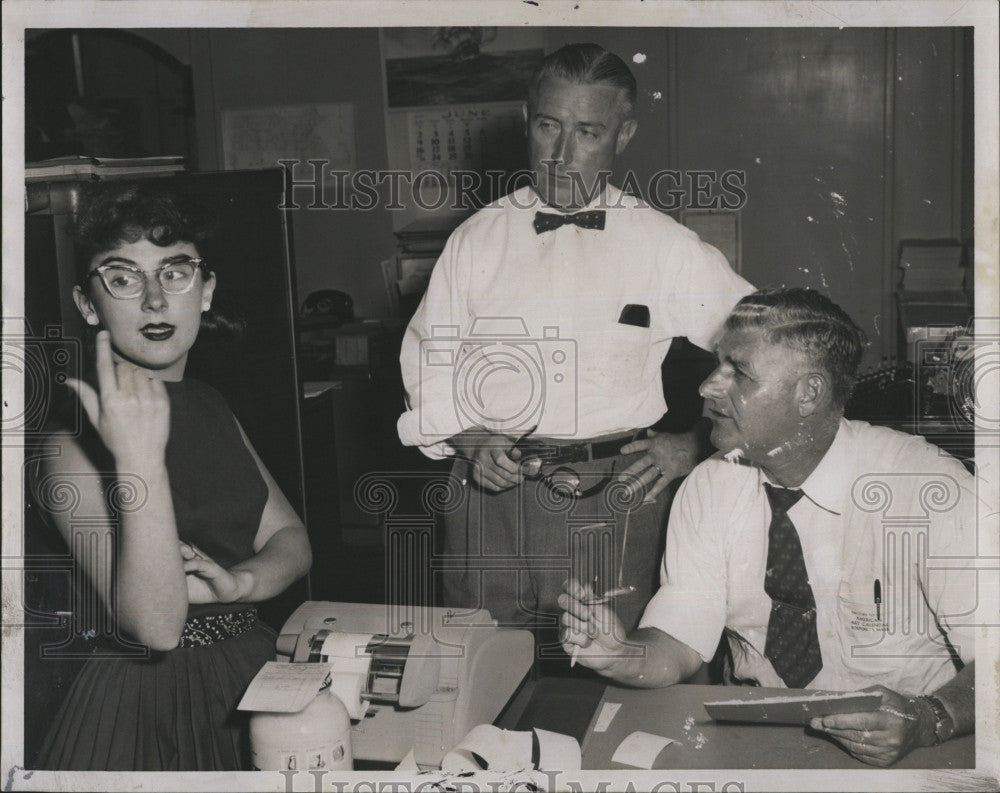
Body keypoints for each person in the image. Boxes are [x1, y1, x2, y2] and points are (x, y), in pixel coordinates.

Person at [397, 43, 754, 642]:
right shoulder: (476, 240)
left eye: (588, 132)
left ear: (624, 133)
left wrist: (698, 443)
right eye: (548, 127)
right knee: (480, 674)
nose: (561, 155)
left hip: (613, 495)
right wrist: (468, 434)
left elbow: (764, 347)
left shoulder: (662, 245)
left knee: (614, 687)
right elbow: (429, 362)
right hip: (489, 498)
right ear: (526, 121)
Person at [560, 288, 977, 766]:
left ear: (809, 394)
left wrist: (928, 719)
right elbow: (679, 641)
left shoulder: (927, 490)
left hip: (913, 750)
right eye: (718, 364)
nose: (708, 387)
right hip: (757, 739)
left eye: (739, 372)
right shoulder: (710, 485)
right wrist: (622, 654)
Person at [29, 182, 312, 771]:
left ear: (205, 291)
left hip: (252, 669)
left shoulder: (208, 403)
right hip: (147, 701)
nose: (155, 301)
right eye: (124, 278)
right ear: (88, 305)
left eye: (175, 273)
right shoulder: (65, 443)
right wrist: (139, 461)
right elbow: (156, 625)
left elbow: (292, 542)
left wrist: (239, 585)